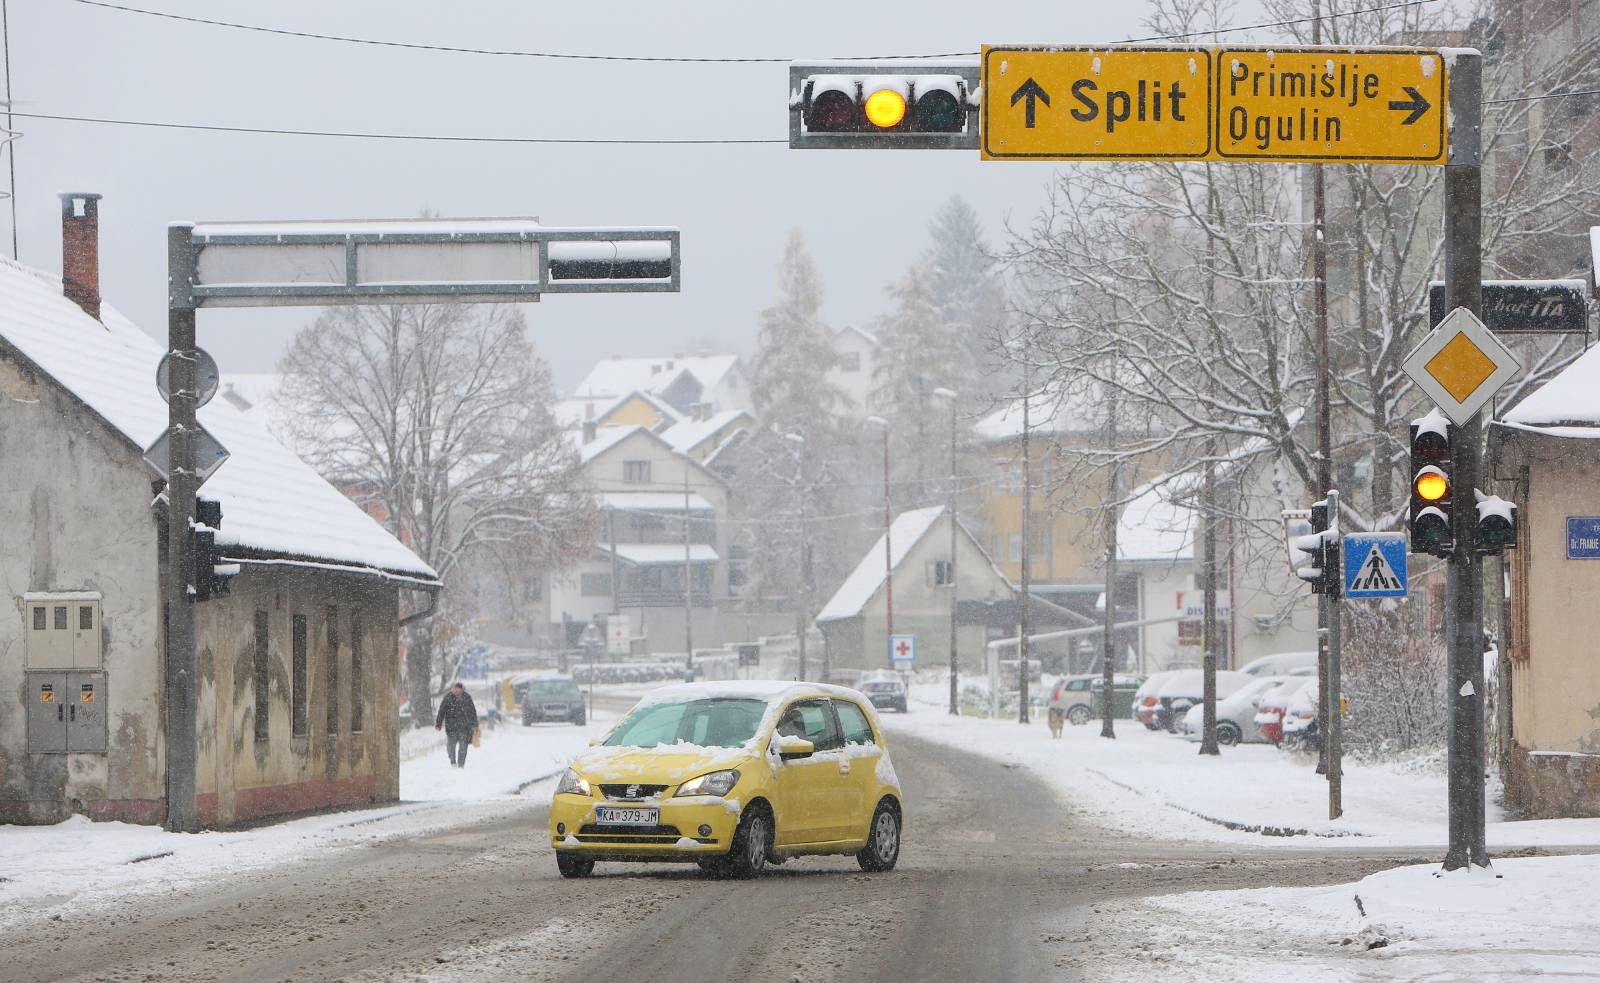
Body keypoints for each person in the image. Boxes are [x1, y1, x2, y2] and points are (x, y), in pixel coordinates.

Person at [435, 682, 478, 768]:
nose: (457, 691)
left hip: (464, 727)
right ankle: (453, 762)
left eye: (459, 689)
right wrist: (438, 723)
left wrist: (475, 724)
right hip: (451, 727)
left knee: (463, 746)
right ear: (453, 689)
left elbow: (472, 711)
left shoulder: (467, 697)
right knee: (451, 746)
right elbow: (441, 711)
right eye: (455, 689)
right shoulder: (448, 698)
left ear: (462, 689)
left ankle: (461, 764)